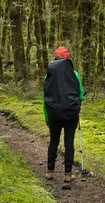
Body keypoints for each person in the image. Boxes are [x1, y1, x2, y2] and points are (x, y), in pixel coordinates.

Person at [43, 46, 83, 184]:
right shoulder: (75, 74)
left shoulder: (48, 75)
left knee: (54, 141)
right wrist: (76, 110)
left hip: (53, 114)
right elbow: (80, 95)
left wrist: (47, 117)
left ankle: (50, 172)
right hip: (71, 114)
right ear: (67, 58)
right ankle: (67, 174)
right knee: (69, 142)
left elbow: (45, 98)